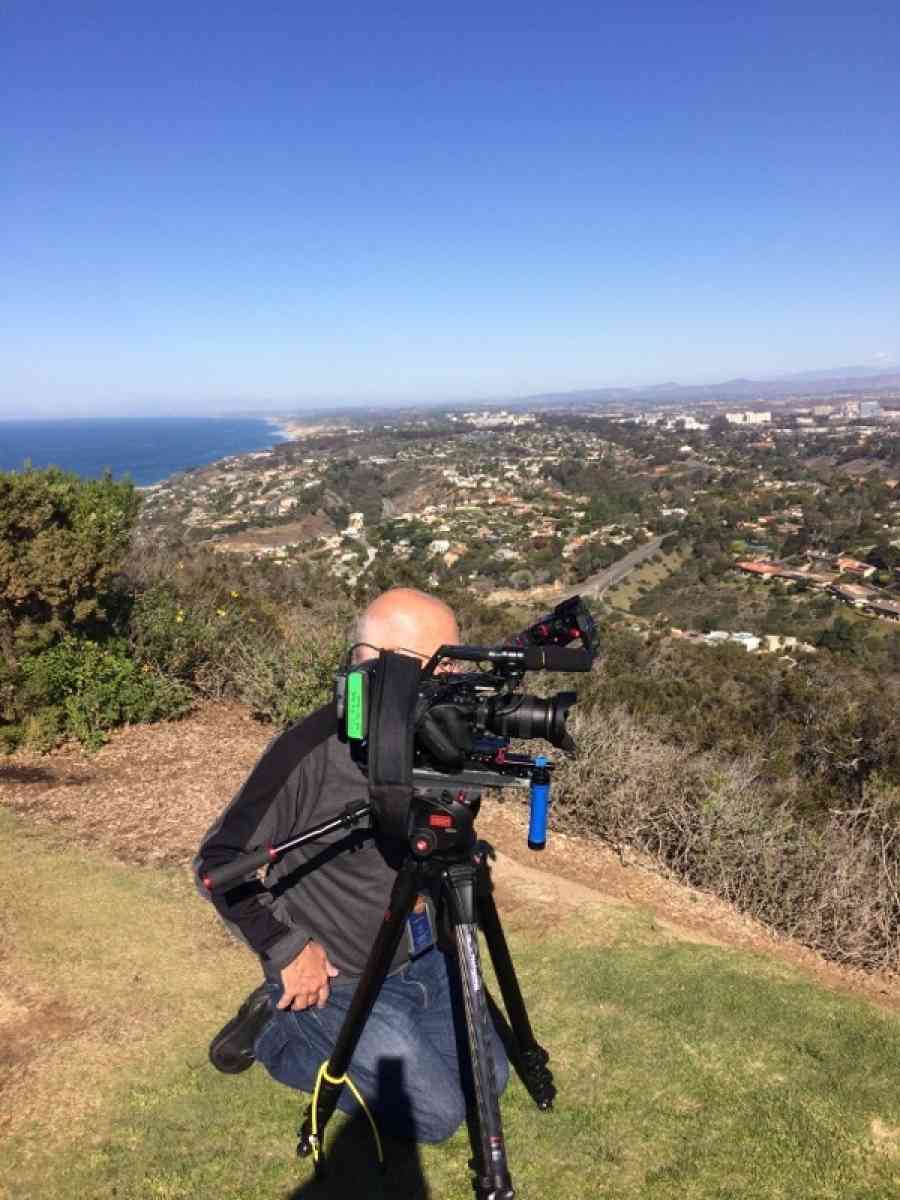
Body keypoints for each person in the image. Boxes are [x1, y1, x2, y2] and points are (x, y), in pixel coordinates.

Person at [194, 587, 509, 1144]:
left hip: (426, 956)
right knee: (436, 1117)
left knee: (492, 1082)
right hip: (338, 976)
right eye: (437, 668)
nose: (451, 685)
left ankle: (375, 1034)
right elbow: (218, 863)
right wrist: (287, 949)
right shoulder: (311, 748)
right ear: (376, 666)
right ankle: (276, 1027)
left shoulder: (437, 736)